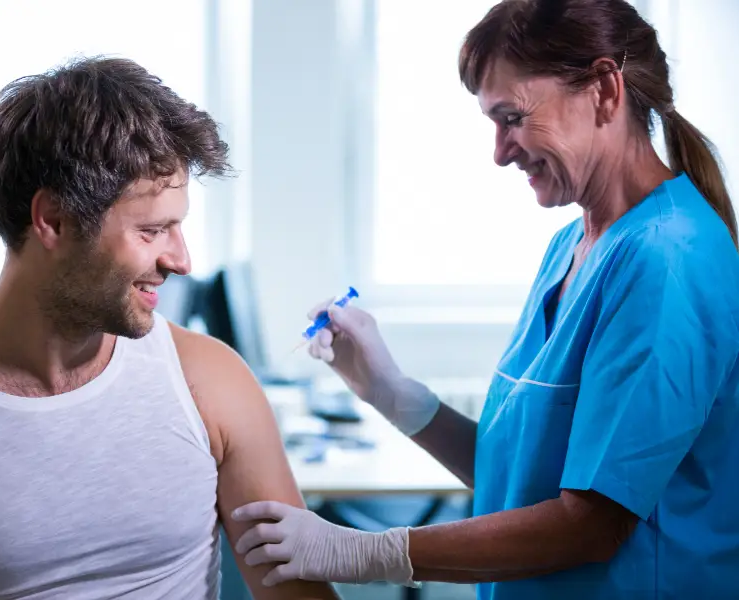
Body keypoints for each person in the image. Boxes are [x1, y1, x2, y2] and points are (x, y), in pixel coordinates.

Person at [231, 0, 739, 598]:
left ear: (604, 90)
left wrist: (361, 551)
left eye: (514, 117)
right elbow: (519, 480)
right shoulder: (572, 246)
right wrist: (394, 395)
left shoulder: (665, 260)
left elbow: (592, 525)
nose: (500, 151)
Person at [0, 57, 339, 600]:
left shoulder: (210, 381)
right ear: (52, 220)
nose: (182, 260)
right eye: (152, 230)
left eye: (179, 226)